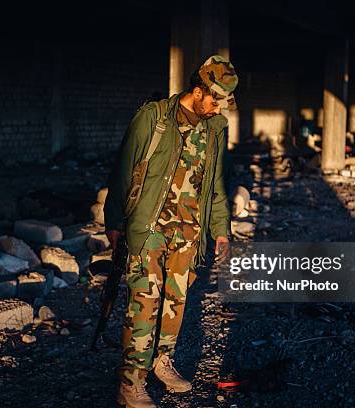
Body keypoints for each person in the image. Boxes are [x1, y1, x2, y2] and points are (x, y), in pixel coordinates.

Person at [104, 55, 238, 408]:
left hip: (189, 234)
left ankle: (162, 362)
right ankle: (131, 384)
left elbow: (217, 183)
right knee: (144, 304)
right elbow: (122, 171)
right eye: (215, 100)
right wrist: (115, 222)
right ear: (197, 91)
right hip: (148, 228)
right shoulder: (154, 118)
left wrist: (220, 228)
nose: (218, 108)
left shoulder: (214, 129)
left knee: (174, 304)